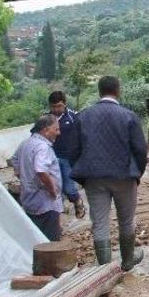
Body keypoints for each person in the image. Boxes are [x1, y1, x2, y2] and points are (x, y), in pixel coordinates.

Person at [71, 76, 147, 271]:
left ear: (99, 92)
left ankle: (104, 270)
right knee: (126, 220)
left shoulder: (83, 117)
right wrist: (137, 173)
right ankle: (128, 261)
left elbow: (73, 150)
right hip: (124, 176)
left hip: (94, 178)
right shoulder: (129, 116)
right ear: (118, 90)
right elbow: (140, 149)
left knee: (100, 223)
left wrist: (83, 175)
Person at [10, 115, 63, 241]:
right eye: (56, 129)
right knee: (50, 242)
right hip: (46, 202)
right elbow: (41, 170)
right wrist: (52, 190)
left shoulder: (25, 143)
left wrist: (24, 176)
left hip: (29, 199)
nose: (58, 133)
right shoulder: (42, 147)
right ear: (45, 130)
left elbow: (14, 160)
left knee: (36, 238)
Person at [47, 91, 86, 219]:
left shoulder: (74, 117)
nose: (56, 109)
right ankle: (58, 218)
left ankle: (77, 200)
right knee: (55, 188)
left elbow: (82, 136)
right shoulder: (46, 119)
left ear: (65, 104)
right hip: (50, 159)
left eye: (59, 106)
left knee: (69, 188)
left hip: (68, 159)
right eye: (53, 106)